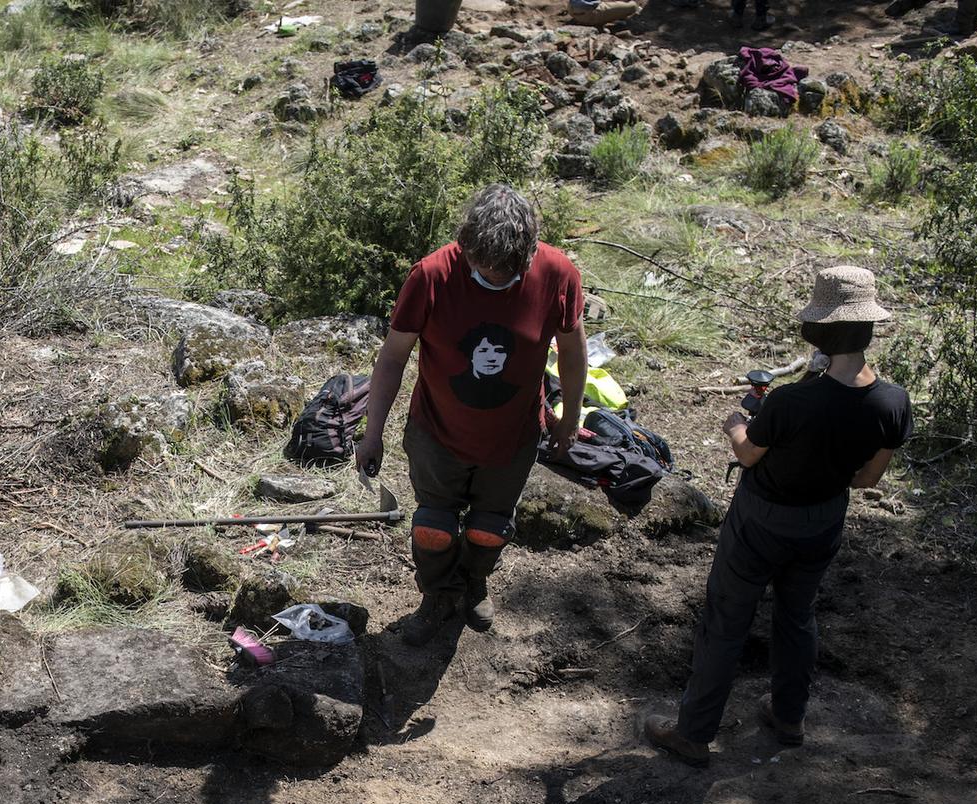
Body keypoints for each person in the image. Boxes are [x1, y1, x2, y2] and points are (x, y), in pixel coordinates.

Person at [644, 266, 912, 765]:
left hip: (761, 520)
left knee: (726, 620)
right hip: (824, 520)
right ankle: (789, 717)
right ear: (869, 330)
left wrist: (734, 425)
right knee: (797, 616)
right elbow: (867, 480)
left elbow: (748, 454)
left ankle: (694, 734)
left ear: (818, 333)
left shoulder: (791, 400)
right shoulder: (893, 402)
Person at [355, 184, 588, 645]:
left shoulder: (557, 273)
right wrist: (373, 431)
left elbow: (573, 352)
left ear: (528, 254)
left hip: (512, 437)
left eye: (507, 274)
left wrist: (570, 417)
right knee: (433, 527)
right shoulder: (431, 276)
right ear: (466, 246)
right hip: (437, 434)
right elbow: (393, 358)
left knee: (489, 528)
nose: (495, 280)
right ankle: (437, 595)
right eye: (484, 271)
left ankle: (474, 581)